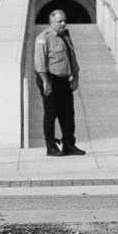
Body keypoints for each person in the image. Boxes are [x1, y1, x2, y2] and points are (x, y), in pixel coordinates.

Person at [34, 9, 86, 157]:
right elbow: (39, 63)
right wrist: (46, 82)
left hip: (64, 80)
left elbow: (72, 57)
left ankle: (69, 145)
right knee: (51, 114)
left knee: (68, 114)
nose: (64, 23)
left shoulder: (65, 36)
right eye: (60, 21)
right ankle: (51, 147)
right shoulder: (43, 38)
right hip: (50, 79)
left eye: (64, 20)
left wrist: (75, 77)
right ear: (51, 22)